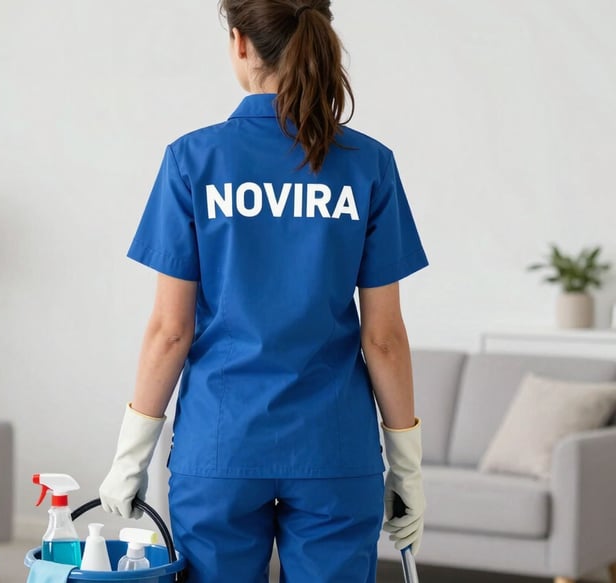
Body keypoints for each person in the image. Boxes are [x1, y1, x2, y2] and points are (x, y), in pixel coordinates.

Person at [99, 1, 428, 581]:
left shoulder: (192, 161)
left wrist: (130, 458)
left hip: (220, 448)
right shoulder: (370, 165)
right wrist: (408, 468)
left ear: (241, 44)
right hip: (334, 450)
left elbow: (171, 330)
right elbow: (384, 338)